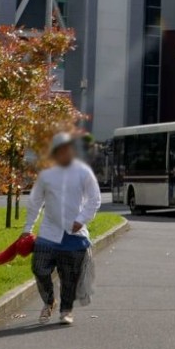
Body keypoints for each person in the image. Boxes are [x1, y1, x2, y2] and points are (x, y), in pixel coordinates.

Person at [24, 131, 101, 325]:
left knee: (69, 277)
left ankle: (66, 310)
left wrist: (82, 219)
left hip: (74, 235)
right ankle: (49, 301)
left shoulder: (84, 173)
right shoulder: (46, 176)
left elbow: (95, 199)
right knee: (39, 268)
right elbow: (35, 202)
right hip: (48, 233)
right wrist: (28, 228)